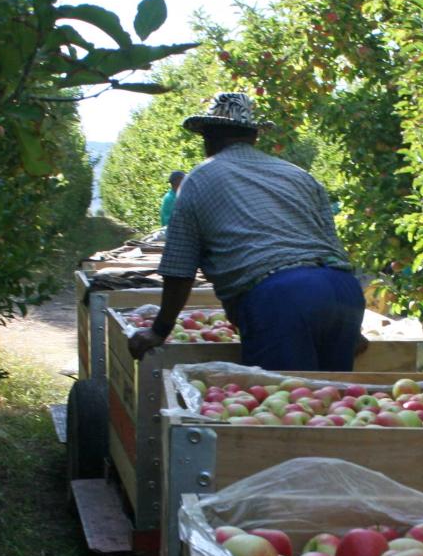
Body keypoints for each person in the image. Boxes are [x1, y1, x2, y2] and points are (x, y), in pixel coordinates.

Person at [128, 93, 365, 371]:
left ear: (207, 137)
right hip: (343, 291)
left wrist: (159, 330)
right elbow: (332, 247)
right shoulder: (300, 175)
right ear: (254, 137)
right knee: (330, 402)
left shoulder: (198, 180)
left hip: (280, 298)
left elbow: (180, 269)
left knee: (284, 405)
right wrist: (347, 323)